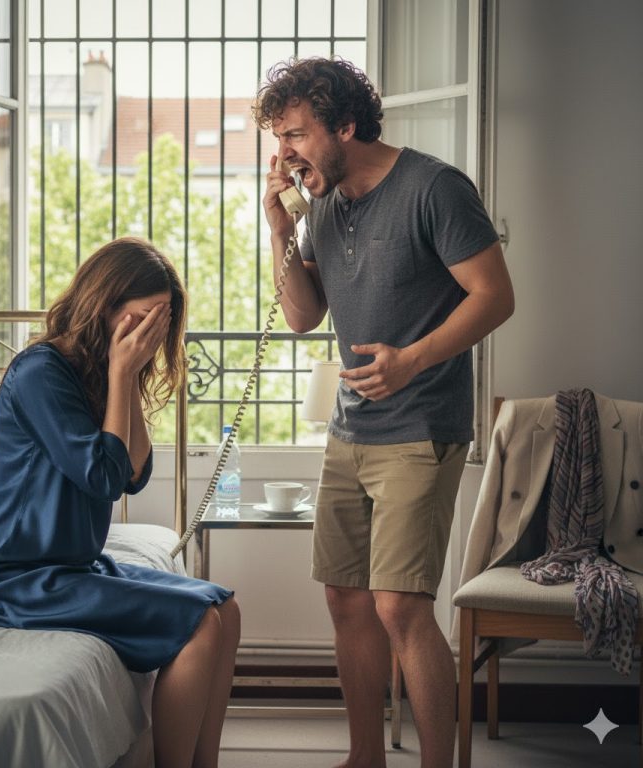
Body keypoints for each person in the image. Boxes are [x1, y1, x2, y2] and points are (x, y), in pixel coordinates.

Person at [253, 57, 514, 768]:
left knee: (399, 605)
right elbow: (303, 317)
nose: (286, 153)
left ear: (345, 126)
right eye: (279, 139)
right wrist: (278, 229)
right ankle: (364, 757)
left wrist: (412, 360)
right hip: (350, 430)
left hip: (421, 428)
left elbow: (495, 296)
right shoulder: (322, 204)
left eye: (296, 135)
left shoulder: (435, 188)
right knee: (346, 600)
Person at [0, 237, 240, 768]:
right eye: (142, 318)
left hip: (71, 565)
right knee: (200, 625)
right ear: (103, 305)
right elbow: (103, 478)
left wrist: (127, 376)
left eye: (161, 322)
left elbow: (134, 473)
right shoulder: (40, 372)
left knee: (226, 609)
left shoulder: (97, 369)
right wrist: (122, 373)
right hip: (10, 579)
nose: (151, 333)